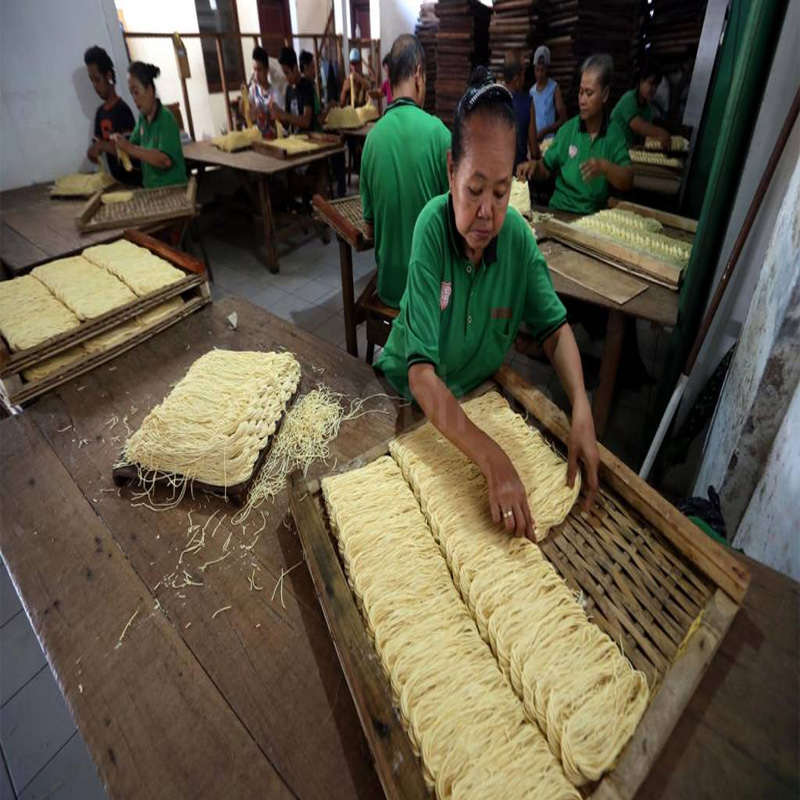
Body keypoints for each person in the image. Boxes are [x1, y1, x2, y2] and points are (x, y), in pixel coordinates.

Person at [375, 68, 599, 536]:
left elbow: (556, 332)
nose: (486, 212)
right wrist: (492, 456)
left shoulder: (516, 239)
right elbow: (420, 375)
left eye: (500, 193)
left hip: (474, 400)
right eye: (474, 190)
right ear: (450, 169)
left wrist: (580, 404)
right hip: (409, 399)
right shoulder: (432, 230)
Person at [360, 34, 451, 309]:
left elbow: (370, 229)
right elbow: (458, 226)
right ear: (418, 73)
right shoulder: (439, 135)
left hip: (389, 289)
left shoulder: (372, 141)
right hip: (428, 294)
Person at [516, 53, 632, 214]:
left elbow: (627, 180)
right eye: (580, 92)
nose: (582, 100)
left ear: (605, 94)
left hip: (590, 221)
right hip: (559, 212)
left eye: (589, 93)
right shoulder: (568, 130)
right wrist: (535, 167)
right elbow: (546, 169)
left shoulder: (614, 134)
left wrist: (605, 167)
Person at [112, 62, 186, 189]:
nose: (134, 99)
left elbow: (165, 161)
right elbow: (131, 144)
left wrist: (130, 148)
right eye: (131, 93)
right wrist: (118, 143)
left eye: (136, 92)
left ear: (150, 90)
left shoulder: (165, 118)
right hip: (151, 189)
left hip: (173, 190)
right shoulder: (142, 119)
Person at [83, 46, 141, 185]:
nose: (95, 86)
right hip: (117, 182)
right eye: (92, 81)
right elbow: (97, 147)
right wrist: (93, 152)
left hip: (134, 181)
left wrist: (102, 146)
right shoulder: (100, 113)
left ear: (108, 76)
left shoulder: (122, 110)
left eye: (97, 80)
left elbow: (130, 149)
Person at [610, 60, 671, 149]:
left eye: (656, 85)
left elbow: (647, 134)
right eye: (650, 83)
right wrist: (660, 132)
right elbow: (637, 125)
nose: (654, 89)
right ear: (641, 81)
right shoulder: (629, 99)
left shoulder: (647, 109)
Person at [501, 51, 540, 169]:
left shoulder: (493, 100)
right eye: (523, 73)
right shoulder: (527, 103)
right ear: (517, 79)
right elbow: (534, 152)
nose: (525, 77)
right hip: (519, 175)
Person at [271, 47, 318, 133]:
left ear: (295, 68)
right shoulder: (289, 90)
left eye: (287, 73)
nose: (286, 77)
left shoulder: (307, 86)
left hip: (310, 141)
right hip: (295, 139)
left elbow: (306, 121)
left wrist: (283, 114)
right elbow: (287, 124)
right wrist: (278, 115)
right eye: (284, 73)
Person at [241, 45, 282, 136]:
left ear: (266, 70)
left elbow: (280, 123)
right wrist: (244, 95)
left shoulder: (275, 94)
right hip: (259, 138)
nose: (256, 74)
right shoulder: (254, 90)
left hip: (274, 140)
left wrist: (261, 114)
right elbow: (242, 111)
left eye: (259, 70)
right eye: (254, 70)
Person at [529, 45, 567, 141]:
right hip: (535, 141)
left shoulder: (554, 88)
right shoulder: (531, 91)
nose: (539, 74)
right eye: (537, 70)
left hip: (549, 141)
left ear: (547, 70)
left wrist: (545, 131)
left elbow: (563, 119)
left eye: (542, 70)